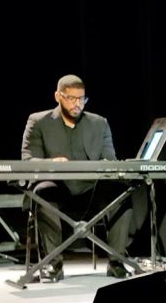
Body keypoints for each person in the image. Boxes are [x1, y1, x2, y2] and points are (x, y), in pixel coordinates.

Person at [21, 74, 147, 281]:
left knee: (120, 191)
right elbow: (28, 160)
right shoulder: (38, 121)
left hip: (91, 191)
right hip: (57, 189)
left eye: (81, 99)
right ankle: (54, 265)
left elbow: (110, 160)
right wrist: (51, 163)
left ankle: (116, 262)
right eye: (71, 98)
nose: (77, 104)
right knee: (43, 192)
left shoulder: (99, 123)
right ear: (58, 96)